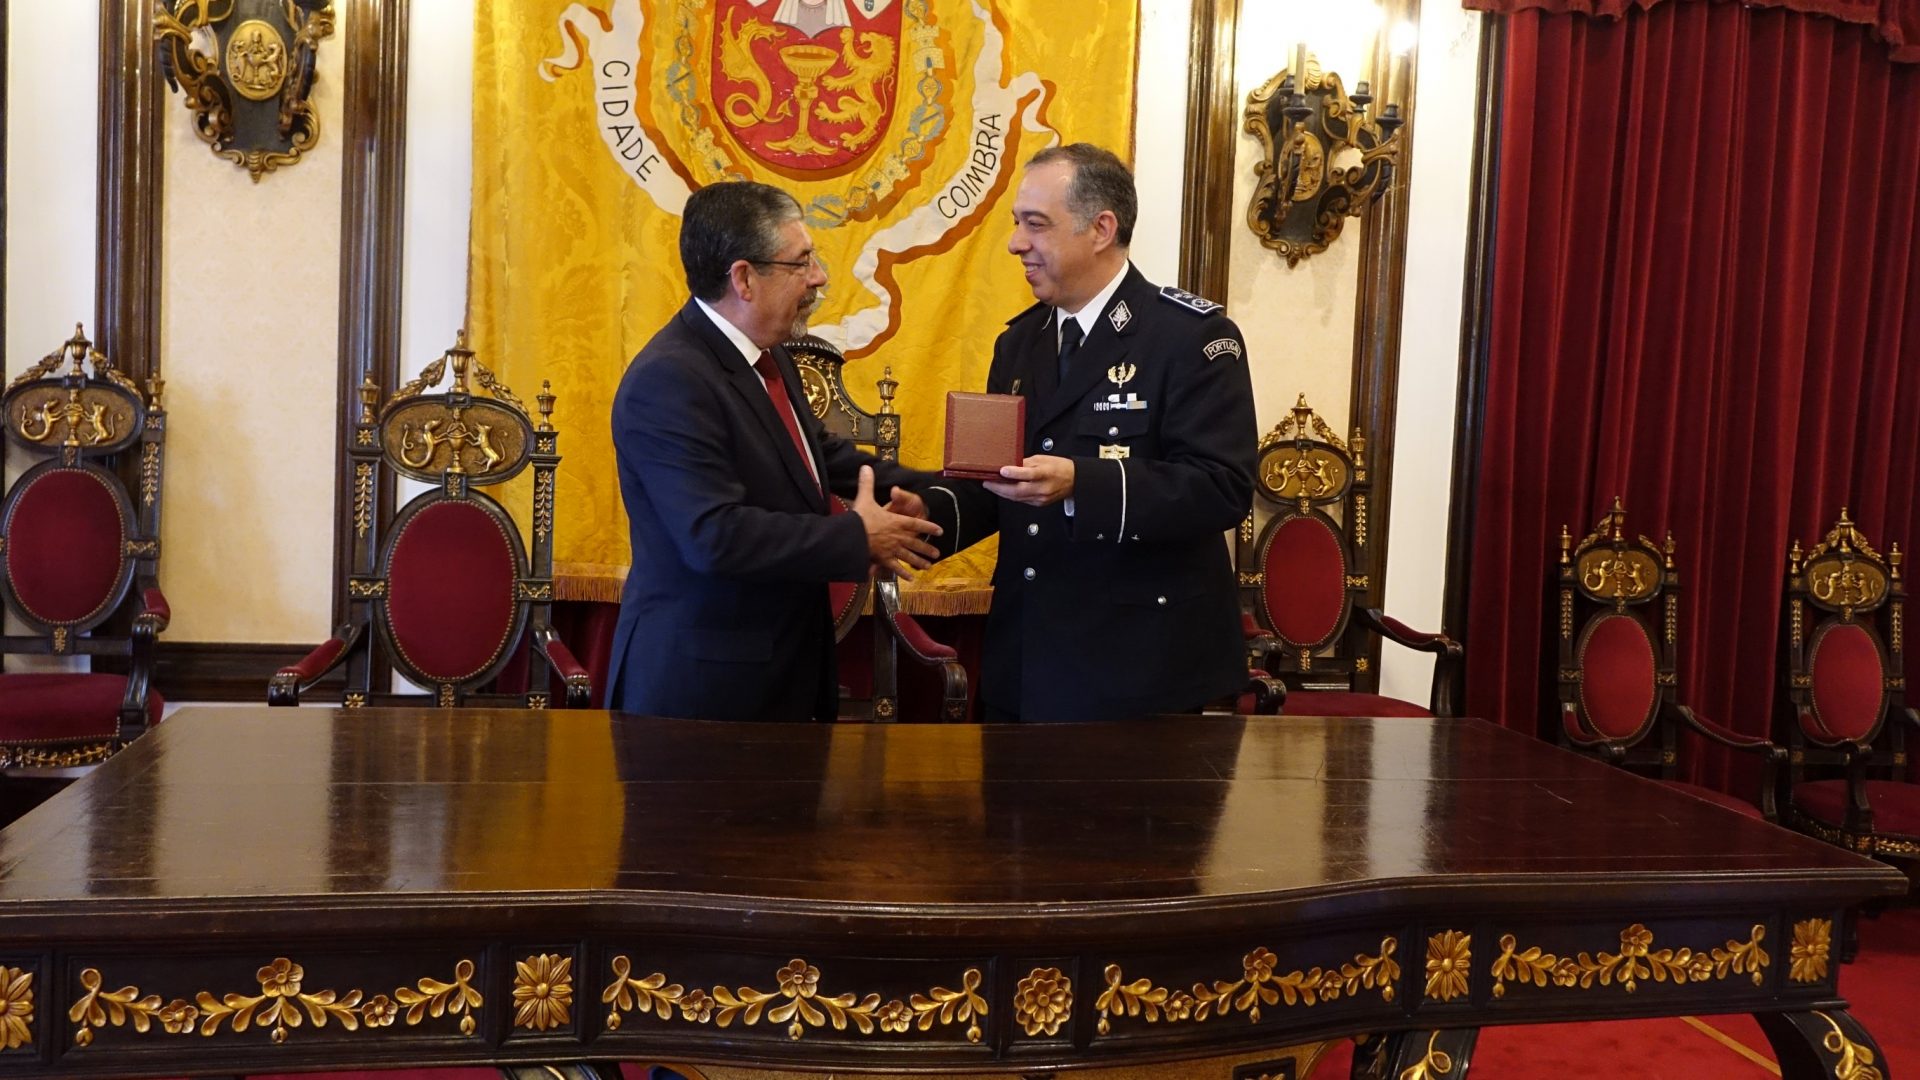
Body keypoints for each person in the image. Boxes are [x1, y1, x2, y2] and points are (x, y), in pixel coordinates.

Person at [923, 144, 1256, 723]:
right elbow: (1001, 480)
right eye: (1017, 223)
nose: (1015, 243)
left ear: (1101, 229)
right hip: (1025, 664)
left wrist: (1083, 483)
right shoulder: (1018, 342)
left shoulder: (1190, 337)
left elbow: (1221, 487)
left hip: (1141, 670)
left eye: (1036, 224)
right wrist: (922, 516)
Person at [607, 180, 942, 722]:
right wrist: (857, 537)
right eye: (801, 262)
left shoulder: (768, 353)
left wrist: (936, 489)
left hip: (783, 677)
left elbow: (821, 458)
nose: (819, 277)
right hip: (703, 697)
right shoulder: (669, 380)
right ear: (743, 278)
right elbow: (714, 536)